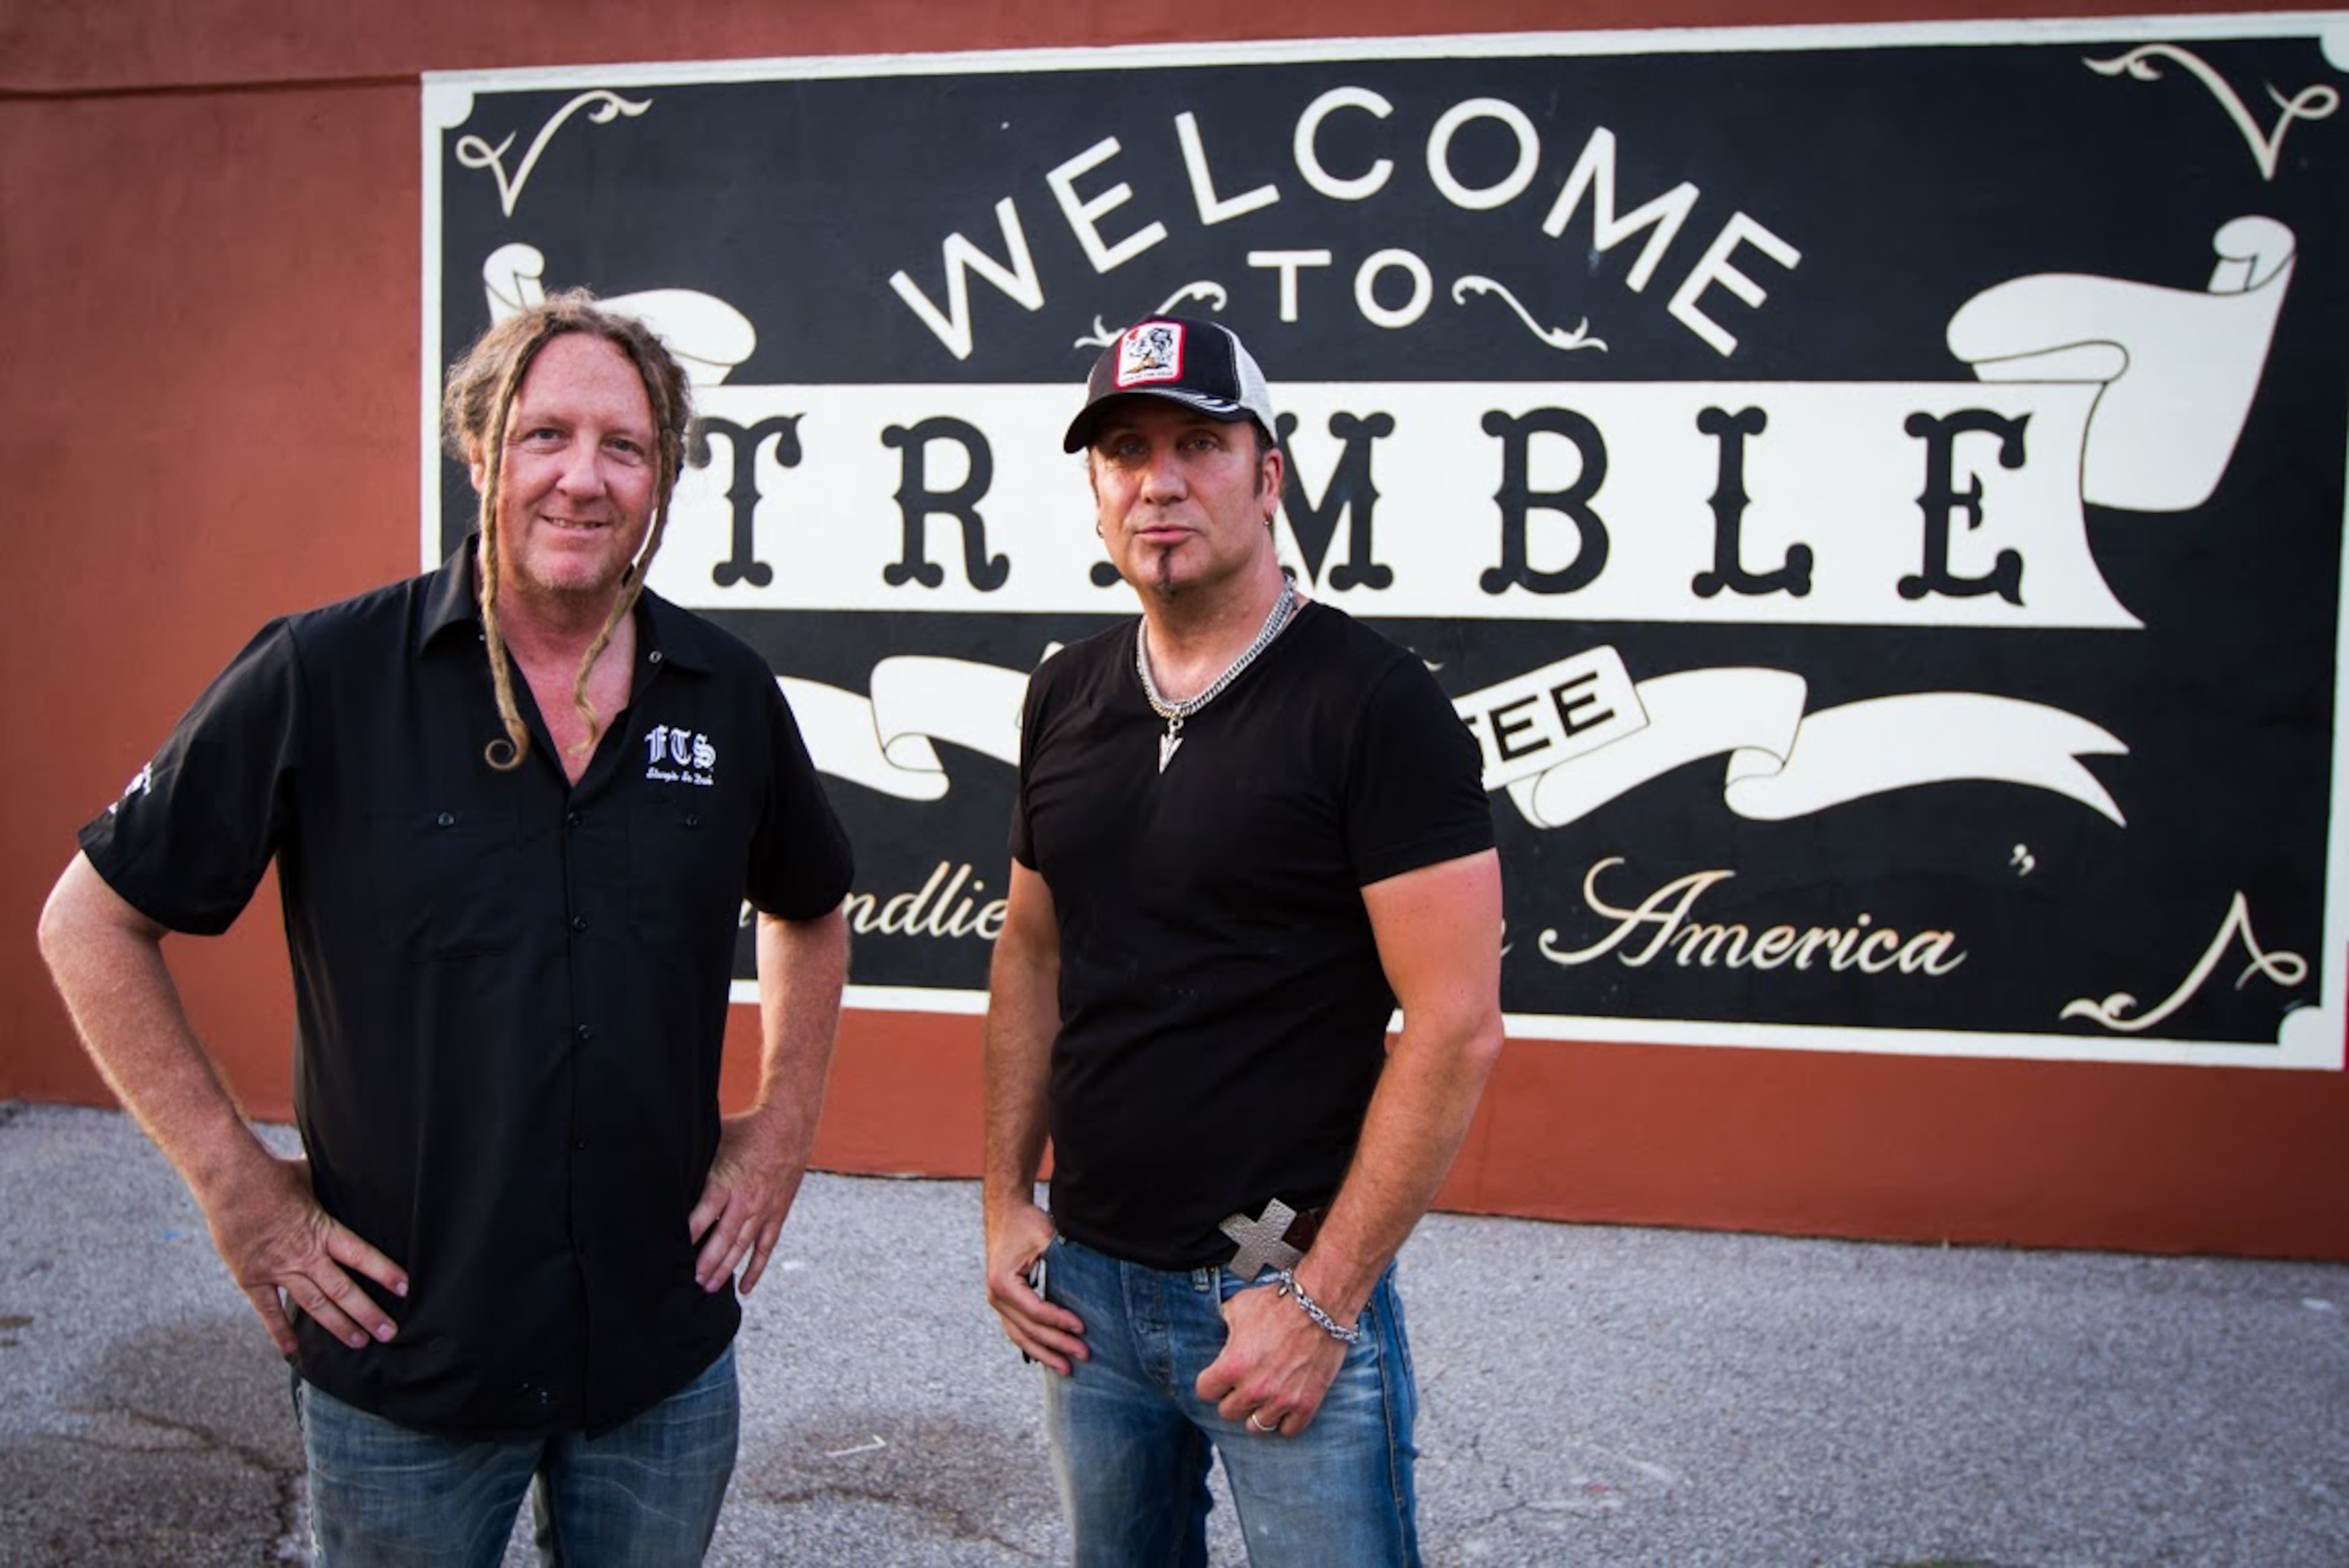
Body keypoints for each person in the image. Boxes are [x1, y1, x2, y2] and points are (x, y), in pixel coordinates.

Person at [36, 291, 853, 1566]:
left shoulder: (729, 695)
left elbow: (810, 905)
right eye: (545, 436)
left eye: (624, 446)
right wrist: (235, 1186)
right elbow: (90, 920)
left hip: (661, 1359)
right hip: (407, 1366)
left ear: (664, 477)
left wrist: (781, 1129)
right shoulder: (322, 676)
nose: (583, 478)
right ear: (480, 452)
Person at [981, 314, 1505, 1566]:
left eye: (1198, 444)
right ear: (1096, 490)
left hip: (1274, 1279)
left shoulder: (1376, 706)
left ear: (1269, 473)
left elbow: (1456, 1024)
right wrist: (1003, 1198)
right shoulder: (1066, 691)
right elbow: (1034, 954)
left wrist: (1323, 1301)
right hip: (1088, 1290)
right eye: (1122, 450)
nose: (1158, 480)